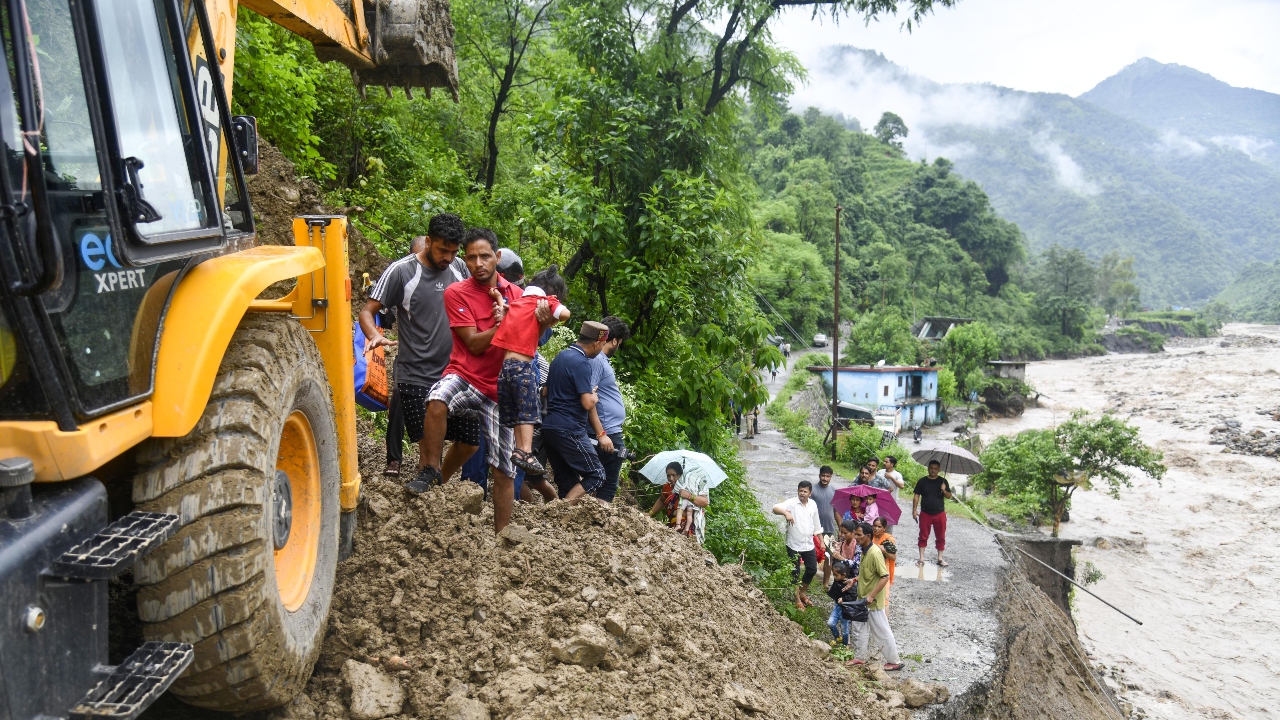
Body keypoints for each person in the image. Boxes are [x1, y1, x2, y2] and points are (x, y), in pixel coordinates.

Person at [413, 229, 552, 534]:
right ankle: (431, 470)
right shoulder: (457, 292)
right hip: (464, 375)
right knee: (437, 399)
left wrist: (543, 321)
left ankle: (503, 534)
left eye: (485, 256)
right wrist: (504, 325)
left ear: (497, 257)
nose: (479, 263)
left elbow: (530, 342)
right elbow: (474, 344)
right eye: (472, 257)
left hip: (501, 389)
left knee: (503, 469)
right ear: (465, 259)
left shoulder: (518, 295)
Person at [360, 216, 481, 482]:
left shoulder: (460, 267)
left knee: (471, 442)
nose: (448, 257)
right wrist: (373, 335)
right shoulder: (401, 271)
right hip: (417, 373)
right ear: (428, 242)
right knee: (429, 451)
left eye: (453, 251)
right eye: (442, 250)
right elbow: (368, 311)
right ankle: (428, 493)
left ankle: (439, 481)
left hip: (457, 372)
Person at [491, 265, 572, 475]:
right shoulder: (543, 301)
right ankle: (526, 450)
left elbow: (505, 308)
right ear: (553, 293)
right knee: (527, 411)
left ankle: (519, 450)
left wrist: (498, 297)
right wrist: (554, 308)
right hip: (523, 367)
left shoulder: (517, 302)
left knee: (518, 412)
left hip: (504, 369)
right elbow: (565, 314)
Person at [541, 322, 611, 503]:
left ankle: (561, 520)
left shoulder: (561, 357)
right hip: (569, 428)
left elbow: (545, 391)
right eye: (602, 345)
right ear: (596, 343)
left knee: (567, 481)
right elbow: (587, 403)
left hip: (549, 428)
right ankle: (561, 509)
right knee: (597, 475)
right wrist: (594, 396)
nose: (601, 349)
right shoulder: (582, 363)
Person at [376, 235, 427, 477]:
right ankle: (394, 459)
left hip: (436, 358)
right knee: (399, 401)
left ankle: (427, 463)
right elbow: (384, 312)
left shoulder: (443, 276)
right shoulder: (403, 275)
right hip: (407, 357)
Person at [589, 316, 631, 503]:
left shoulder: (600, 359)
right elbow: (590, 396)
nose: (618, 347)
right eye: (619, 343)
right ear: (613, 340)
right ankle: (598, 523)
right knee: (608, 483)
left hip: (609, 430)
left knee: (602, 480)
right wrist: (601, 433)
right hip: (607, 432)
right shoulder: (598, 359)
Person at [850, 521, 903, 671]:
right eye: (855, 534)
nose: (856, 537)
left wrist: (872, 595)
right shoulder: (864, 551)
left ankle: (894, 661)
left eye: (858, 534)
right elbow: (867, 572)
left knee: (881, 631)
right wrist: (853, 580)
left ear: (868, 536)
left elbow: (884, 576)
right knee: (858, 628)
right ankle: (859, 658)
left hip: (872, 601)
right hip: (863, 599)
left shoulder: (874, 553)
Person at [773, 480, 823, 609]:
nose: (802, 493)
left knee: (812, 569)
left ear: (810, 493)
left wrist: (821, 541)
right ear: (797, 491)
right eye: (800, 490)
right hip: (793, 544)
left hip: (808, 544)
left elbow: (816, 524)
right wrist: (786, 513)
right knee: (795, 572)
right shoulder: (792, 503)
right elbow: (775, 508)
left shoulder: (813, 505)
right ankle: (797, 600)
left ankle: (802, 592)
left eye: (805, 491)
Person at [648, 462, 710, 541]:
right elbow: (661, 500)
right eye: (668, 475)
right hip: (673, 526)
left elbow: (704, 502)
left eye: (673, 475)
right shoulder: (667, 488)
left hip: (689, 528)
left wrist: (688, 495)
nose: (671, 478)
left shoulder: (690, 486)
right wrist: (650, 514)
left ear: (680, 475)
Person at [913, 460, 954, 567]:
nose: (933, 470)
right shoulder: (922, 481)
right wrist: (914, 510)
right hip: (925, 513)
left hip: (939, 513)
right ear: (928, 468)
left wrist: (944, 490)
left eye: (936, 469)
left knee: (941, 536)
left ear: (939, 470)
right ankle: (921, 559)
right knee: (923, 535)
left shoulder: (943, 481)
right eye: (931, 468)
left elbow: (949, 496)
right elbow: (916, 495)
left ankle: (940, 558)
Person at [810, 466, 838, 586]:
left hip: (829, 530)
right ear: (819, 475)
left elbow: (836, 511)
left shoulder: (834, 491)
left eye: (827, 476)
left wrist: (841, 527)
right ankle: (808, 581)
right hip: (814, 530)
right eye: (823, 476)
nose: (825, 478)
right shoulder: (812, 490)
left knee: (828, 557)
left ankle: (825, 583)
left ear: (831, 477)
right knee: (811, 556)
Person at [825, 560, 858, 646]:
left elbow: (853, 596)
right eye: (833, 575)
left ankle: (845, 643)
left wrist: (844, 599)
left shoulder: (849, 584)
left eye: (836, 575)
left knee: (845, 628)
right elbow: (834, 589)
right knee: (830, 623)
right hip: (837, 607)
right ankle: (837, 637)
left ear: (843, 575)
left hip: (845, 609)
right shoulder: (837, 581)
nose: (834, 577)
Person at [871, 517, 898, 608]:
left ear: (884, 528)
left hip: (884, 569)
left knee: (884, 597)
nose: (876, 529)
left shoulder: (889, 539)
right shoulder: (870, 537)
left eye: (879, 526)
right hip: (871, 568)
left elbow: (893, 557)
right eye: (874, 526)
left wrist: (883, 550)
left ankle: (884, 621)